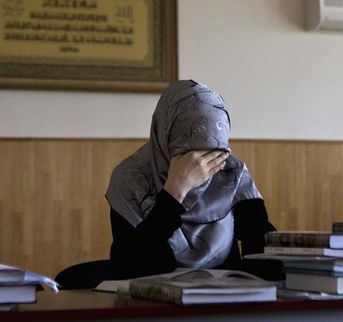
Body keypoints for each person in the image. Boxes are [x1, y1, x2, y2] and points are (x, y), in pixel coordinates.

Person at [106, 80, 277, 279]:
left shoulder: (230, 173)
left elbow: (265, 260)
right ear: (165, 138)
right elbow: (134, 267)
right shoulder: (132, 180)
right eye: (191, 153)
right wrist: (174, 192)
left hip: (223, 302)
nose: (202, 166)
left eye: (214, 152)